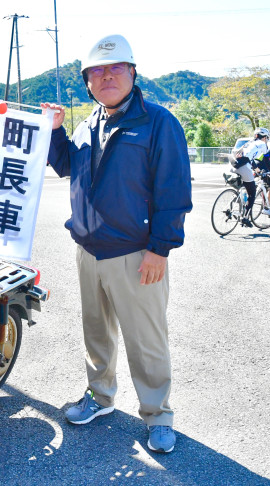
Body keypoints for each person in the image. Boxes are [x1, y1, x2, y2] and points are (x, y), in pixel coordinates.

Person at [40, 34, 192, 454]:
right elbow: (68, 166)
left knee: (146, 339)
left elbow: (174, 189)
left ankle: (158, 413)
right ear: (87, 81)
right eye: (97, 72)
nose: (106, 77)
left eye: (115, 68)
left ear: (133, 73)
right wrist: (55, 133)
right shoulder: (90, 122)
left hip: (136, 253)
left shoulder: (158, 122)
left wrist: (160, 249)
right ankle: (101, 396)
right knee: (96, 334)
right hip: (89, 250)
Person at [232, 127, 270, 224]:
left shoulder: (249, 143)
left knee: (245, 186)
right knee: (252, 193)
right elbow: (266, 160)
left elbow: (249, 158)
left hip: (233, 165)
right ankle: (245, 218)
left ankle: (236, 201)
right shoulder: (262, 144)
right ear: (265, 137)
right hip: (244, 167)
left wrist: (257, 170)